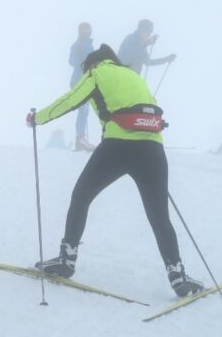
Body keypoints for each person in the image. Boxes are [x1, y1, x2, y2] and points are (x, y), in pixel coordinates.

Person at [27, 44, 203, 298]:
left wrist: (37, 118)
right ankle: (178, 276)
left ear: (92, 63)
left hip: (118, 146)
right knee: (159, 215)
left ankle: (67, 261)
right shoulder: (133, 75)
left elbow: (71, 100)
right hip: (152, 150)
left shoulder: (97, 72)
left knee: (81, 197)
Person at [68, 22, 95, 151]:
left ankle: (80, 139)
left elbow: (71, 61)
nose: (86, 32)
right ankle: (81, 139)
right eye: (85, 30)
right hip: (81, 80)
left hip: (79, 80)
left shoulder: (79, 45)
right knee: (83, 110)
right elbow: (74, 62)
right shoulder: (83, 45)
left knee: (83, 110)